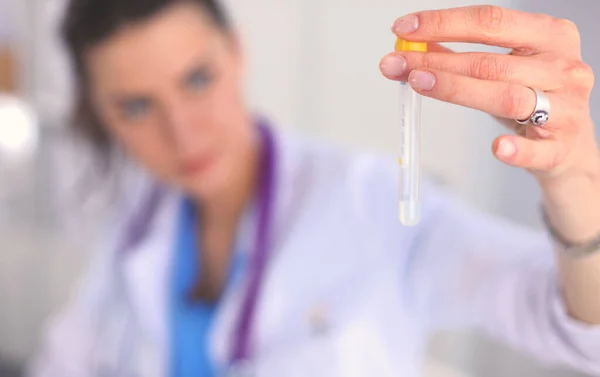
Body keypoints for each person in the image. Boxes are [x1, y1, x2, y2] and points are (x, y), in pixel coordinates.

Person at [26, 0, 600, 376]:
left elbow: (575, 330)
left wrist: (574, 179)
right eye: (136, 106)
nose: (181, 131)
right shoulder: (137, 218)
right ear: (100, 114)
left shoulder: (369, 203)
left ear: (237, 53)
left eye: (198, 79)